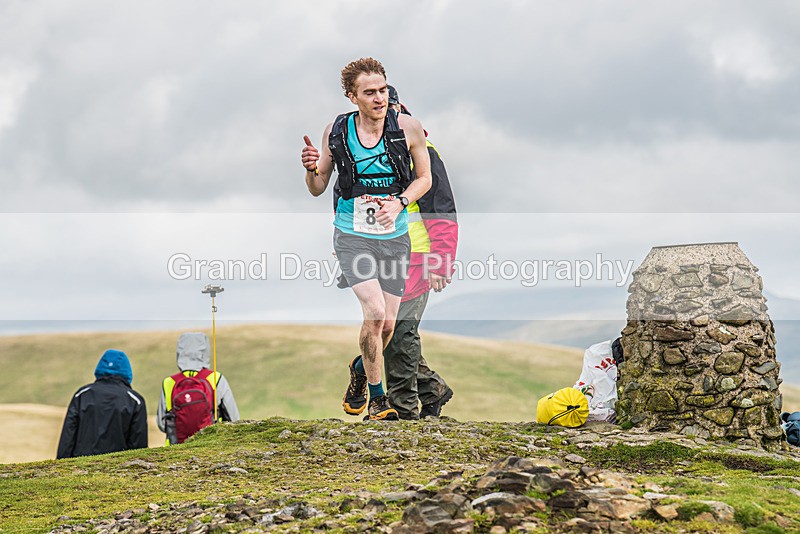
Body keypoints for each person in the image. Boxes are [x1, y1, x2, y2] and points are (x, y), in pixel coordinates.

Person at [302, 57, 432, 420]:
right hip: (352, 235)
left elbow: (425, 179)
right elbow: (317, 186)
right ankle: (377, 400)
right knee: (374, 314)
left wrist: (400, 202)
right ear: (352, 96)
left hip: (395, 237)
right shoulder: (337, 131)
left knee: (387, 325)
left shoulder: (408, 128)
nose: (379, 98)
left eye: (383, 90)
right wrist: (310, 169)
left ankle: (361, 368)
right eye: (370, 92)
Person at [340, 86, 459, 420]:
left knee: (400, 334)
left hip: (416, 257)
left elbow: (442, 209)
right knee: (387, 332)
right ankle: (430, 388)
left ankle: (402, 412)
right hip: (374, 253)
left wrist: (441, 260)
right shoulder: (360, 148)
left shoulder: (421, 148)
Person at [57, 349, 148, 459]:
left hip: (81, 465)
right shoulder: (135, 401)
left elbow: (68, 436)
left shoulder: (82, 395)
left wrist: (60, 465)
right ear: (127, 371)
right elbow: (138, 445)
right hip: (117, 466)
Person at [157, 332, 240, 444]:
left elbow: (162, 424)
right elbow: (234, 418)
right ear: (205, 352)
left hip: (176, 447)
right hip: (212, 445)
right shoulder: (215, 378)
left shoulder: (169, 382)